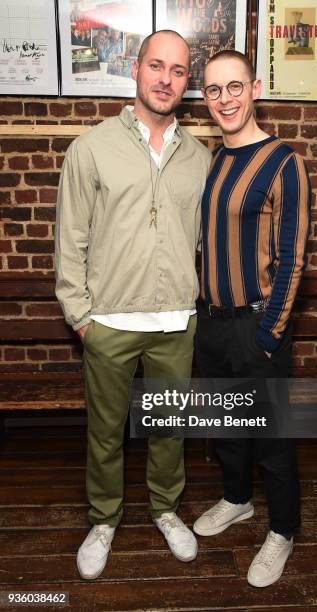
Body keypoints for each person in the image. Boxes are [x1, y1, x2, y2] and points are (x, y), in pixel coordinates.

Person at [55, 29, 211, 580]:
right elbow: (69, 239)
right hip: (109, 324)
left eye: (178, 70)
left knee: (171, 427)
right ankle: (103, 519)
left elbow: (203, 240)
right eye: (156, 66)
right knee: (104, 431)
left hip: (175, 320)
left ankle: (166, 510)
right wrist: (81, 318)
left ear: (186, 82)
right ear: (136, 69)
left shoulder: (199, 157)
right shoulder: (91, 148)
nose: (165, 79)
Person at [193, 50, 311, 587]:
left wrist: (269, 333)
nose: (225, 100)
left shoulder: (284, 162)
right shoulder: (217, 160)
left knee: (272, 438)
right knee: (226, 428)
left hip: (256, 325)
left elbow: (292, 256)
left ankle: (283, 530)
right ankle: (237, 500)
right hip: (212, 323)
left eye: (234, 86)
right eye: (214, 90)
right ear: (206, 98)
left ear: (255, 87)